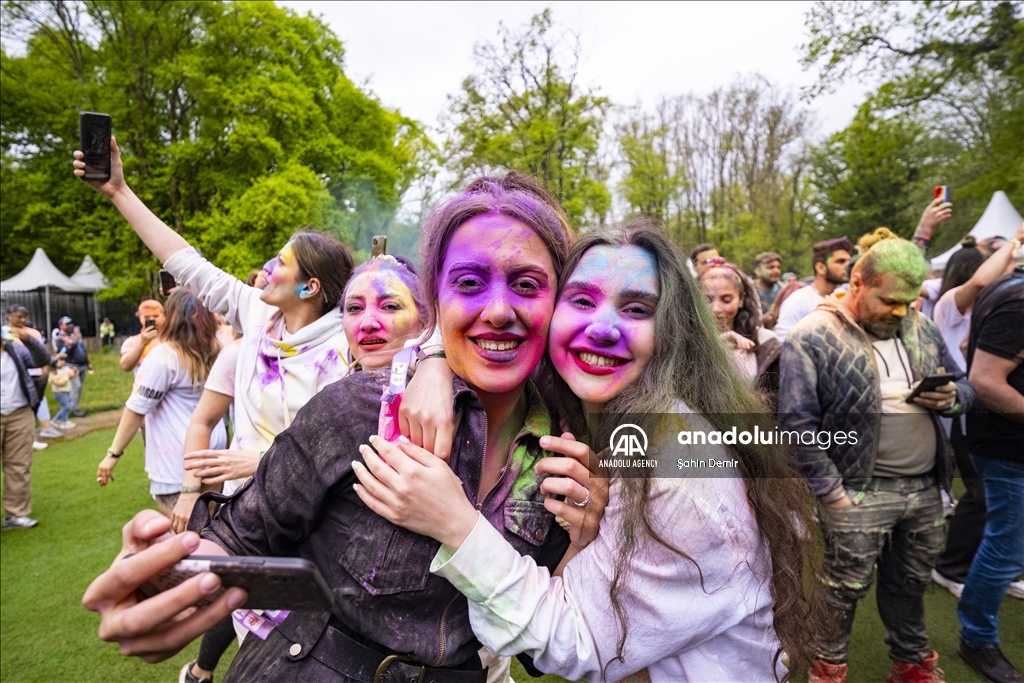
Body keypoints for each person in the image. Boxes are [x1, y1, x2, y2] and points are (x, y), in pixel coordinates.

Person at [82, 175, 577, 683]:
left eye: (526, 284)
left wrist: (586, 535)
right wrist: (166, 580)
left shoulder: (574, 448)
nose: (498, 311)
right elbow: (242, 537)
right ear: (438, 299)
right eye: (469, 284)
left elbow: (549, 644)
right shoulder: (357, 407)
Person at [352, 218, 823, 682]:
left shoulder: (681, 471)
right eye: (581, 300)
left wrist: (455, 523)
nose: (601, 328)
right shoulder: (600, 422)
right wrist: (434, 360)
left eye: (636, 309)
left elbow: (576, 641)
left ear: (672, 332)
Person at [174, 256, 428, 683]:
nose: (368, 321)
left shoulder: (467, 405)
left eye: (390, 306)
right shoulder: (338, 405)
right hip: (308, 646)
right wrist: (176, 572)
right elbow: (241, 533)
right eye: (354, 308)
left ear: (427, 319)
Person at [780, 238, 975, 683]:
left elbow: (967, 388)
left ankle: (910, 664)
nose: (900, 311)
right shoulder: (812, 334)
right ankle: (828, 669)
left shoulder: (922, 327)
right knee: (842, 590)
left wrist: (952, 398)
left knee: (911, 584)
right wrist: (833, 493)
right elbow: (797, 423)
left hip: (925, 489)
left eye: (910, 301)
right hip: (857, 491)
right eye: (889, 300)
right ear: (857, 282)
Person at [930, 229, 1024, 601]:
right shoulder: (950, 302)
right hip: (958, 407)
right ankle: (952, 566)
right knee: (980, 491)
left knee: (987, 496)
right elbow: (982, 281)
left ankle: (996, 566)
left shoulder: (982, 304)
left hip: (968, 403)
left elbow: (970, 344)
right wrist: (1014, 244)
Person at [96, 289, 226, 518]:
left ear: (171, 317)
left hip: (177, 460)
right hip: (213, 451)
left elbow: (136, 409)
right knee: (209, 528)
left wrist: (113, 454)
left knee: (186, 534)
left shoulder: (164, 357)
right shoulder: (219, 351)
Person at [955, 260, 1024, 683]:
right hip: (1007, 447)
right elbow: (985, 379)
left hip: (1002, 441)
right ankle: (977, 638)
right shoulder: (1018, 298)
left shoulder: (1008, 285)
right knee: (1006, 547)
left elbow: (968, 345)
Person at [698, 260, 782, 407]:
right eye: (707, 300)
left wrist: (756, 401)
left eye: (726, 300)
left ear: (741, 299)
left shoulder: (766, 342)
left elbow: (784, 395)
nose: (716, 308)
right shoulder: (684, 343)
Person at [1, 324, 50, 530]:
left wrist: (30, 341)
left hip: (19, 413)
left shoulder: (14, 349)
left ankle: (16, 514)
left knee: (19, 465)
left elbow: (42, 360)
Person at [775, 237, 852, 342]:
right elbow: (784, 343)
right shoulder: (797, 302)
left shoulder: (845, 298)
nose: (848, 266)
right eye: (840, 261)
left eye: (849, 261)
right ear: (821, 268)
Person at [120, 300, 165, 373]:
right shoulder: (132, 341)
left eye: (155, 316)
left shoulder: (173, 339)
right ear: (140, 317)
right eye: (147, 317)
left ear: (164, 316)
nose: (151, 319)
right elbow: (126, 366)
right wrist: (142, 343)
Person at [752, 251, 782, 327]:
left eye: (778, 267)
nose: (776, 271)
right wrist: (761, 322)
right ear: (758, 271)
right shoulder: (749, 292)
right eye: (770, 267)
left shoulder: (784, 291)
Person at [49, 358, 77, 429]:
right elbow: (59, 383)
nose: (62, 362)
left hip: (66, 391)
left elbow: (72, 375)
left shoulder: (66, 368)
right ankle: (64, 423)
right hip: (59, 392)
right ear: (54, 364)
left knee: (67, 406)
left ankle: (55, 420)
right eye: (60, 361)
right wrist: (68, 377)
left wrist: (75, 372)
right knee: (65, 406)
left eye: (63, 360)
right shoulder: (54, 373)